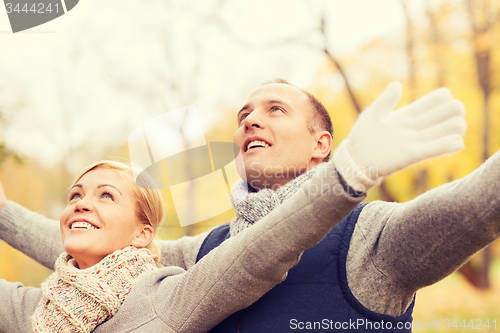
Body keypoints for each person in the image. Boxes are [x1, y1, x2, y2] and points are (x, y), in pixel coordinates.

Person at [1, 80, 499, 332]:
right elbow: (99, 242)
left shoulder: (373, 239)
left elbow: (479, 204)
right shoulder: (205, 252)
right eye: (244, 116)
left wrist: (351, 172)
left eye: (275, 110)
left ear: (321, 144)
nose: (250, 122)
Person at [0, 159, 367, 332]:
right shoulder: (33, 309)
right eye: (75, 195)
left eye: (106, 196)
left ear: (142, 235)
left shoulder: (164, 299)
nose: (81, 203)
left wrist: (348, 177)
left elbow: (254, 255)